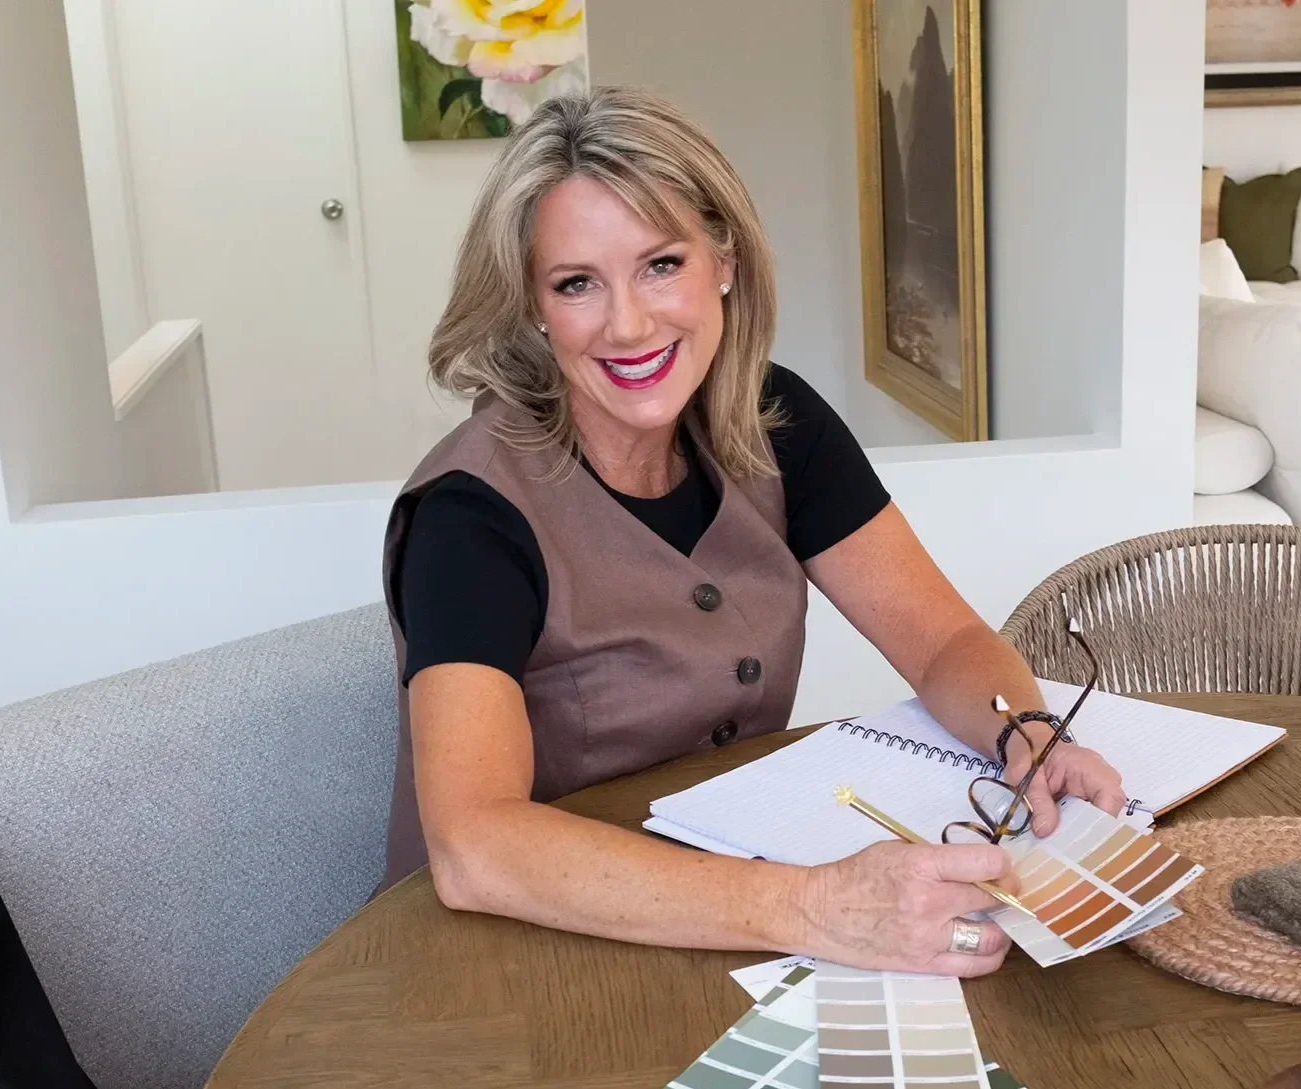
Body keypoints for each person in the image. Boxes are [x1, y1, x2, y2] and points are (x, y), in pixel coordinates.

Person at [380, 85, 1126, 978]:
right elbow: (474, 846)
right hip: (520, 958)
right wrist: (819, 906)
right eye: (577, 283)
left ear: (723, 259)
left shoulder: (779, 421)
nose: (629, 323)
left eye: (662, 264)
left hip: (722, 923)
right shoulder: (471, 516)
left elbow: (944, 643)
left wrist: (1029, 736)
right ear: (535, 306)